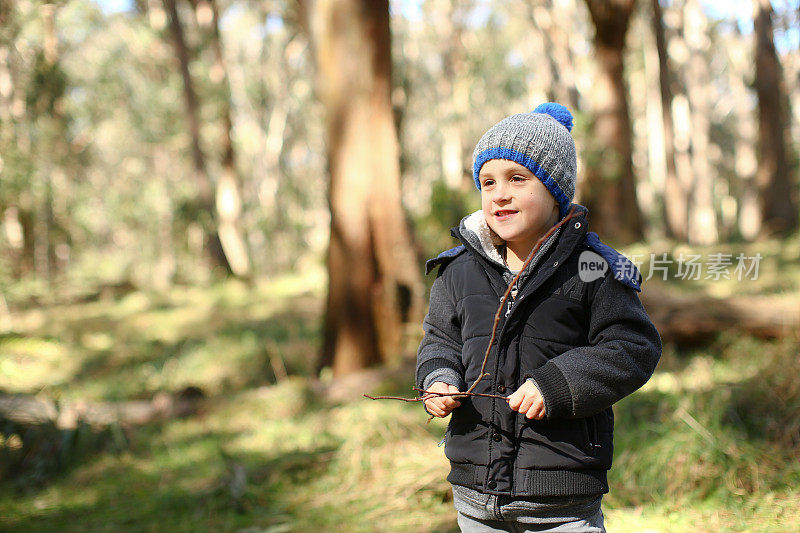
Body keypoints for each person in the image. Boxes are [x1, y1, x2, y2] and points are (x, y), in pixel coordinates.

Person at [416, 103, 662, 532]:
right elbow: (440, 339)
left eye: (517, 179)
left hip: (560, 492)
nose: (500, 194)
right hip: (475, 490)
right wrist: (437, 379)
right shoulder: (457, 271)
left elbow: (632, 348)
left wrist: (558, 384)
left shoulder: (593, 268)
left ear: (555, 190)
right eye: (487, 181)